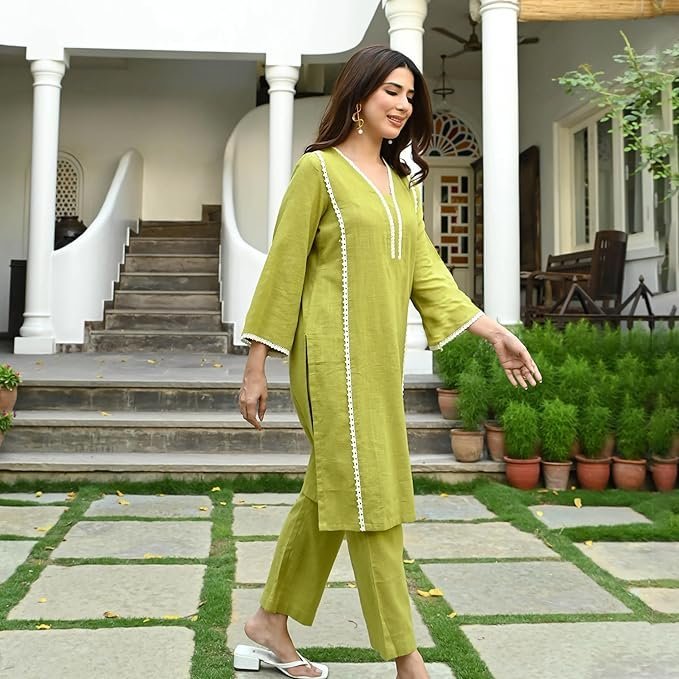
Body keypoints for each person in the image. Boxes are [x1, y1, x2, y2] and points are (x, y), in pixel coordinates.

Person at [234, 45, 542, 679]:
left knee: (334, 488)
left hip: (378, 363)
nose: (402, 105)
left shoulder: (403, 187)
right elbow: (283, 268)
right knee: (369, 492)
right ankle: (409, 660)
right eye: (391, 92)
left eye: (409, 96)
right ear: (358, 96)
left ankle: (268, 623)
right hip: (327, 360)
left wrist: (493, 331)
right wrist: (256, 365)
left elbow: (429, 274)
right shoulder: (318, 171)